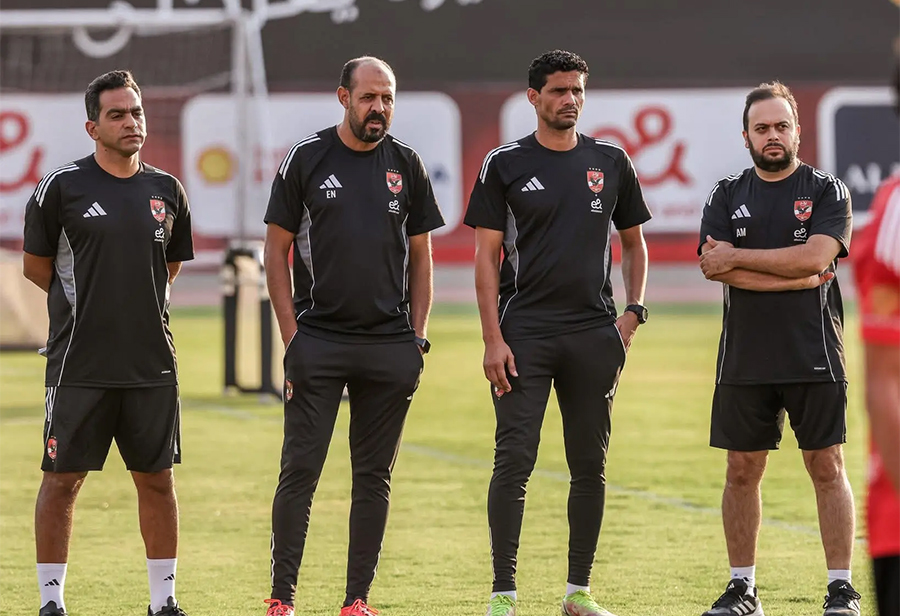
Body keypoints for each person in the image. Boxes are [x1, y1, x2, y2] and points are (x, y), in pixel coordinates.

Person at [464, 49, 651, 616]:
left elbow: (634, 244)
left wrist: (632, 313)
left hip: (595, 335)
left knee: (589, 466)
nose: (569, 99)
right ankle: (504, 594)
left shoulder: (611, 160)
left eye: (577, 90)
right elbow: (485, 258)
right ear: (533, 99)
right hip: (525, 336)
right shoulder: (504, 163)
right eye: (558, 91)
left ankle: (578, 592)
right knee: (513, 460)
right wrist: (493, 339)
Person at [262, 56, 444, 616]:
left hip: (389, 348)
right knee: (301, 472)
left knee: (374, 478)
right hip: (319, 340)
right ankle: (282, 599)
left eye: (388, 98)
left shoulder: (406, 164)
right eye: (368, 98)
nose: (379, 109)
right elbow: (275, 250)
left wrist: (417, 338)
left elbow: (422, 257)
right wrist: (292, 338)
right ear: (343, 97)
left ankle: (356, 601)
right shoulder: (307, 159)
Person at [22, 70, 193, 616]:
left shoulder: (167, 190)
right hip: (79, 364)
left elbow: (169, 268)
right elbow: (36, 266)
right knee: (62, 481)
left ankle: (163, 601)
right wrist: (89, 303)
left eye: (136, 112)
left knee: (158, 481)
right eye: (117, 114)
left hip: (151, 365)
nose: (131, 122)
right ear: (92, 126)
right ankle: (52, 603)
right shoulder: (62, 188)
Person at [698, 81, 859, 616]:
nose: (773, 136)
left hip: (814, 351)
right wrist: (793, 274)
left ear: (797, 129)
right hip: (744, 357)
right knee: (742, 469)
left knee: (827, 466)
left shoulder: (828, 190)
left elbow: (814, 258)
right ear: (745, 135)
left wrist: (745, 261)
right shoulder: (726, 194)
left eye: (781, 126)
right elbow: (717, 268)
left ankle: (841, 588)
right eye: (762, 127)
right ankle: (743, 588)